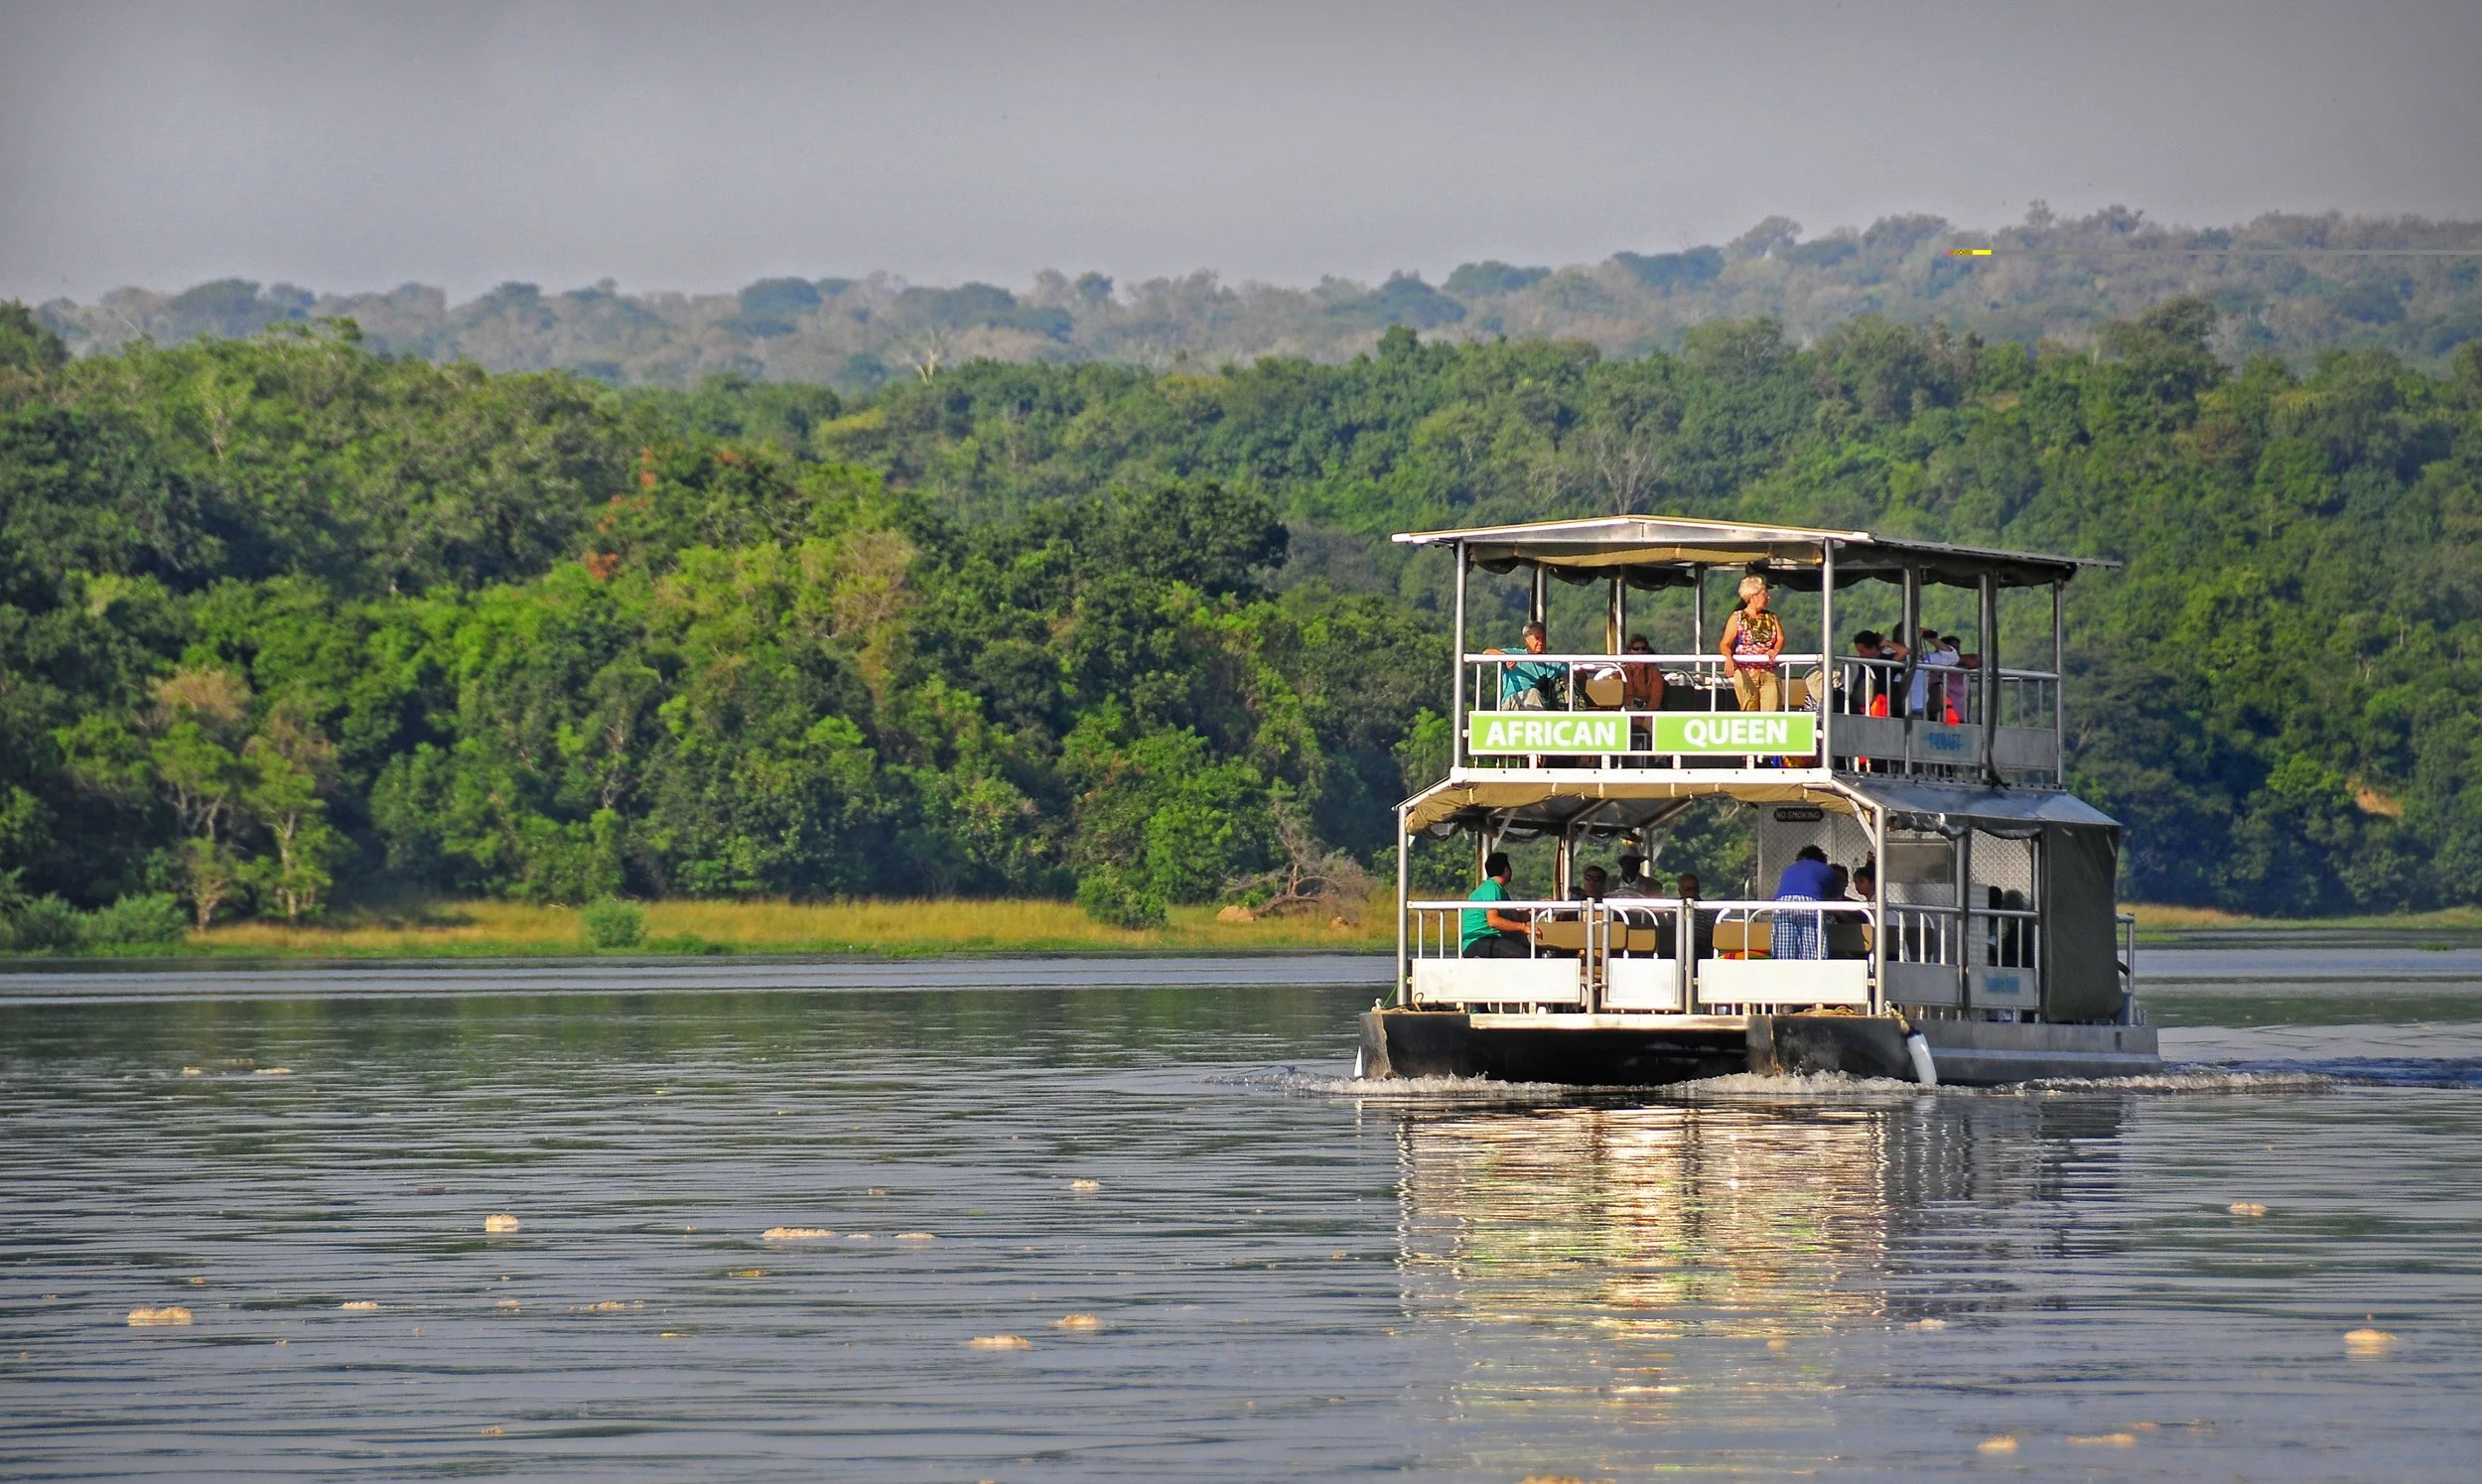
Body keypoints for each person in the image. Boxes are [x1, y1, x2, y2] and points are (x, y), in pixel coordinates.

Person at [1719, 576, 1783, 713]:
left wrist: (1775, 649)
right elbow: (1725, 643)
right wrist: (1729, 658)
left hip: (1768, 671)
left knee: (1772, 710)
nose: (1768, 598)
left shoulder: (1771, 617)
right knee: (1749, 710)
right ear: (1753, 596)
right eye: (1765, 594)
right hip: (1746, 671)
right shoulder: (1738, 617)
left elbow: (1780, 638)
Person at [1460, 852, 1533, 958]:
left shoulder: (1501, 892)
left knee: (1533, 952)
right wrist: (1524, 928)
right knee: (1522, 955)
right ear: (1506, 870)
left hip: (1490, 939)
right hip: (1478, 941)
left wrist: (1537, 909)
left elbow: (1517, 917)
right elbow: (1493, 921)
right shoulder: (1491, 888)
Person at [1771, 844, 1834, 960]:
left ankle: (1782, 971)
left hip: (1782, 903)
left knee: (1784, 946)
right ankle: (1813, 971)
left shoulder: (1789, 869)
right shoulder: (1825, 869)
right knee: (1812, 945)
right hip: (1808, 902)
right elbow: (1833, 894)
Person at [1485, 621, 1566, 710]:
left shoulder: (1552, 663)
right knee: (1533, 693)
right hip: (1514, 703)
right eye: (1537, 638)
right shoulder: (1515, 654)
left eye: (1543, 638)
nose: (1541, 642)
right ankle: (1539, 721)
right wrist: (1506, 658)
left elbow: (1572, 670)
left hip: (1544, 706)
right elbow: (1487, 653)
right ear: (1525, 640)